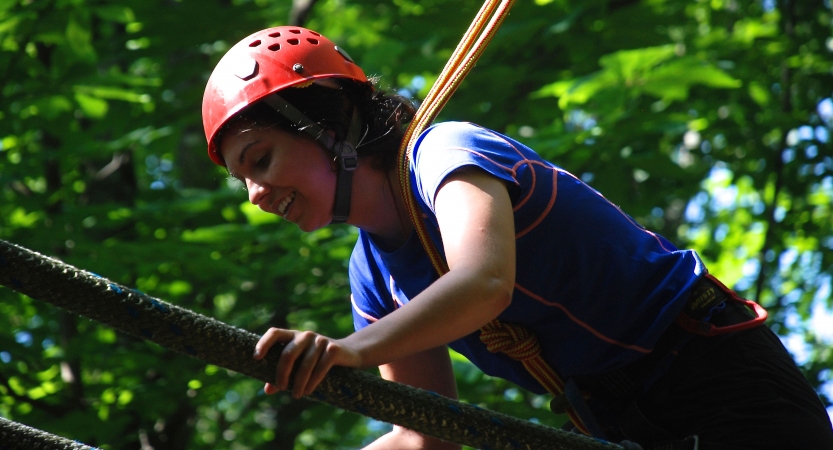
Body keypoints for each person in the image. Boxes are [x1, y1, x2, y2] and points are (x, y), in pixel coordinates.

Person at [202, 26, 833, 449]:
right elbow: (427, 434)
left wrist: (348, 350)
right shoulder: (372, 277)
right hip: (619, 423)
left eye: (260, 161)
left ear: (325, 122)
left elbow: (484, 284)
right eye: (242, 180)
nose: (255, 195)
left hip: (714, 374)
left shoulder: (445, 155)